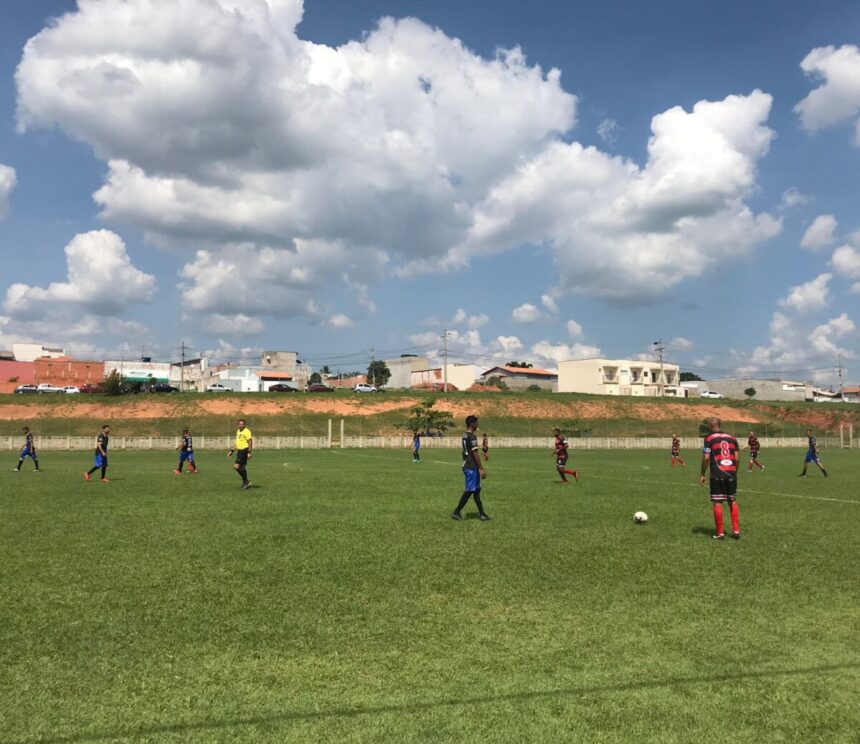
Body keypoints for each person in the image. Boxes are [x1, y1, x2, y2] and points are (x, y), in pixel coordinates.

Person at [699, 417, 740, 540]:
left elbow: (706, 458)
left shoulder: (709, 438)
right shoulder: (732, 438)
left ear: (711, 426)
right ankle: (736, 530)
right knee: (732, 500)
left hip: (717, 473)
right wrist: (734, 472)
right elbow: (737, 458)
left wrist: (702, 474)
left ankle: (720, 533)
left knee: (718, 501)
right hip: (731, 472)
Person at [451, 415, 490, 521]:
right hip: (471, 467)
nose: (477, 425)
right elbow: (475, 453)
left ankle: (482, 514)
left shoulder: (464, 435)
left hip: (467, 464)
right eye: (476, 423)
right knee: (470, 491)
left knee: (477, 490)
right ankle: (456, 512)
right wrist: (481, 468)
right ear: (472, 424)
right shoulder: (472, 436)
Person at [228, 418, 253, 490]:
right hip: (239, 451)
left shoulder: (247, 431)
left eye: (242, 424)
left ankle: (246, 481)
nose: (241, 425)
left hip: (244, 450)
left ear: (245, 425)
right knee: (241, 467)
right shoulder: (238, 431)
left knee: (236, 466)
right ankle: (246, 482)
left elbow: (250, 442)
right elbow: (237, 442)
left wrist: (249, 452)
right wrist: (232, 450)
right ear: (238, 425)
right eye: (240, 424)